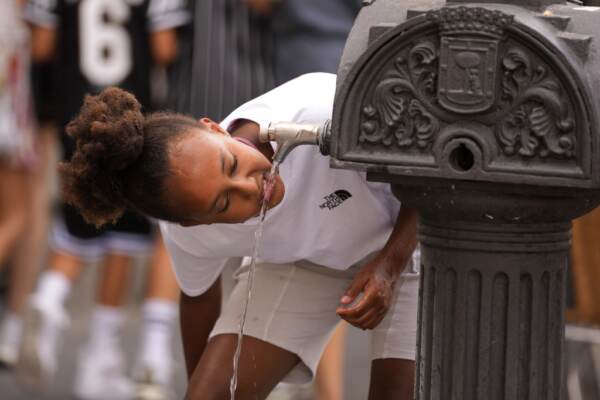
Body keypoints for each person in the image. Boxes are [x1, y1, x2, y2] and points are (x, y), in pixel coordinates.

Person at [60, 72, 419, 400]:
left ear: (215, 129)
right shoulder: (188, 233)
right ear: (195, 223)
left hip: (414, 232)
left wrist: (390, 265)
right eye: (223, 203)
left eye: (230, 163)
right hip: (311, 259)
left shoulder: (318, 110)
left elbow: (437, 171)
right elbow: (198, 298)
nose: (250, 186)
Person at [19, 0, 189, 398]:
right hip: (127, 115)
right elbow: (165, 48)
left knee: (78, 220)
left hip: (74, 112)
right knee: (123, 233)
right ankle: (101, 351)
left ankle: (50, 296)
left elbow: (41, 45)